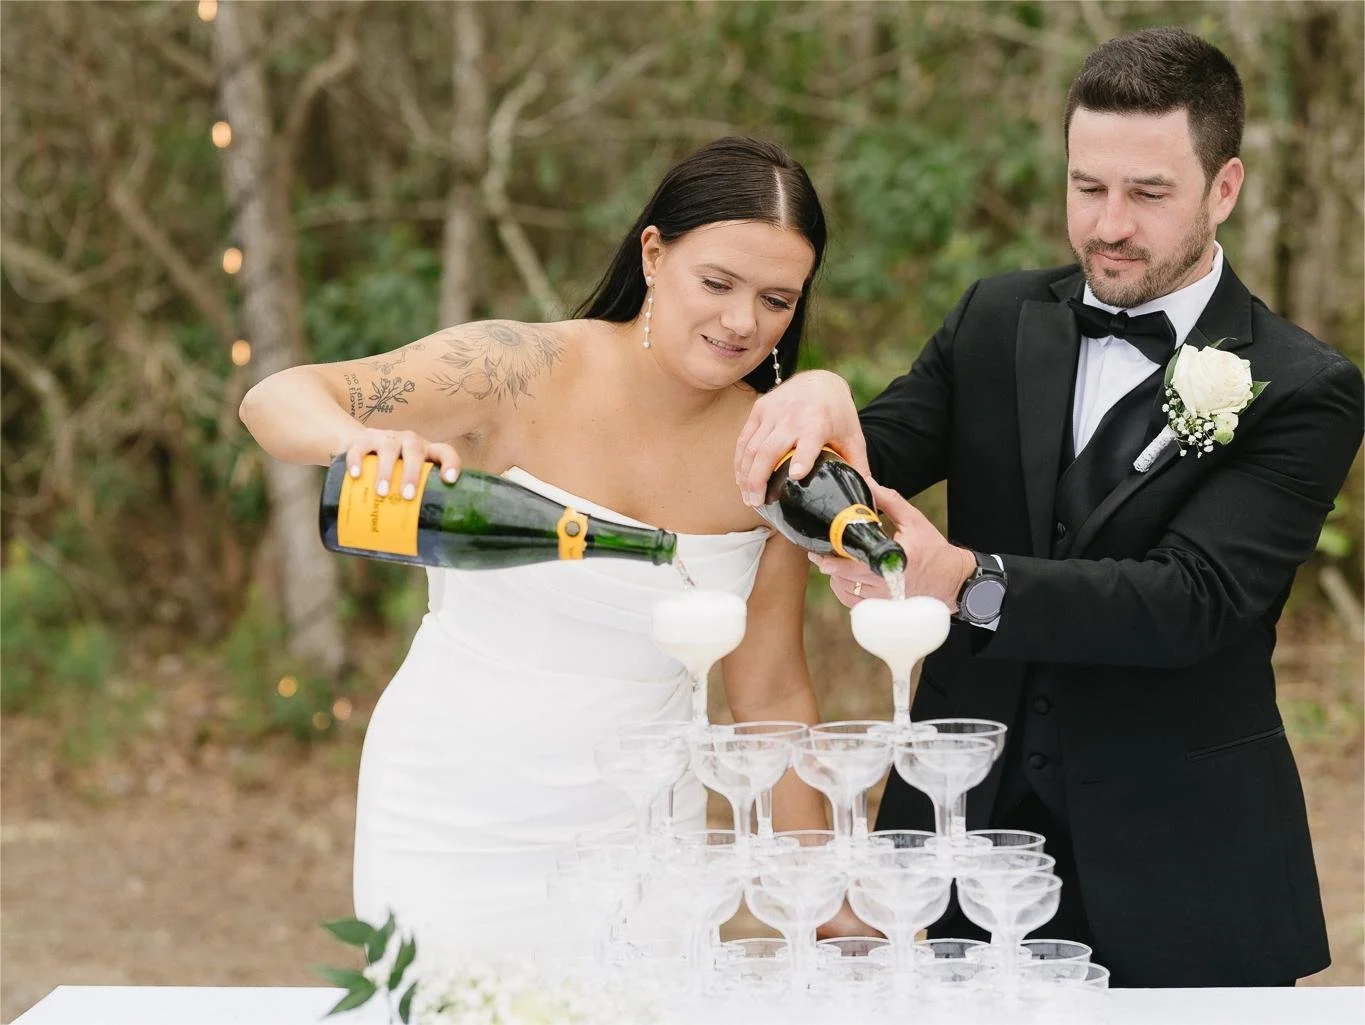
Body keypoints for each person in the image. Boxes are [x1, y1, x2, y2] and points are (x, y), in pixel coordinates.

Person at [735, 28, 1363, 988]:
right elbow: (870, 451)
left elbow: (1189, 599)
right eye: (1086, 187)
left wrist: (959, 578)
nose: (1108, 225)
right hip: (950, 840)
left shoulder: (1301, 385)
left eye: (1147, 194)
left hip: (1182, 871)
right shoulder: (994, 318)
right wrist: (816, 395)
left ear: (1224, 188)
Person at [240, 137, 835, 959]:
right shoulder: (514, 368)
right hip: (453, 813)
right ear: (654, 254)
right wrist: (357, 443)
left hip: (646, 836)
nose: (742, 321)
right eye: (717, 282)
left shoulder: (770, 456)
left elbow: (770, 694)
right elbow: (276, 396)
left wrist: (832, 906)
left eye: (776, 299)